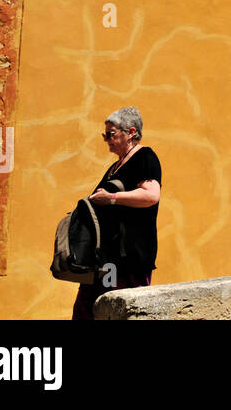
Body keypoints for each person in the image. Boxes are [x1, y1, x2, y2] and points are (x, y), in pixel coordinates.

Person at [72, 106, 162, 320]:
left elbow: (151, 195)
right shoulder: (116, 166)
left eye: (111, 134)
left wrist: (111, 198)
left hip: (128, 255)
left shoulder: (144, 157)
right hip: (104, 257)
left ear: (131, 132)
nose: (107, 140)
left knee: (118, 310)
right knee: (86, 309)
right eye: (105, 135)